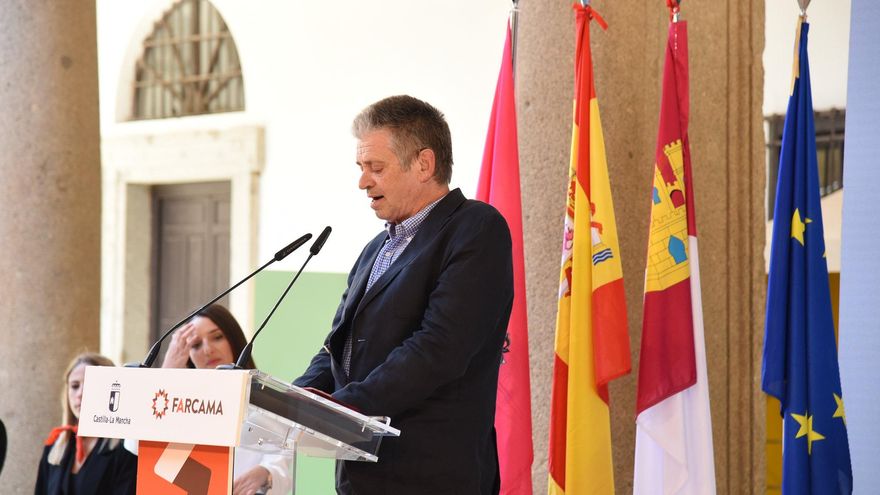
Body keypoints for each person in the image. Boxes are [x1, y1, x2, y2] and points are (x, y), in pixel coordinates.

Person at [293, 95, 514, 494]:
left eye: (375, 168)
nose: (363, 182)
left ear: (424, 165)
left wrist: (348, 406)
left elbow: (438, 349)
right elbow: (337, 348)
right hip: (362, 476)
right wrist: (295, 400)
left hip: (435, 477)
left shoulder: (476, 229)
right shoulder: (376, 249)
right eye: (361, 169)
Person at [160, 304, 292, 495]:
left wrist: (266, 474)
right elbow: (137, 446)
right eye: (196, 345)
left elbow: (282, 466)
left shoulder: (267, 403)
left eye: (217, 337)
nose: (207, 350)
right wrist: (167, 374)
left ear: (233, 339)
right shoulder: (180, 403)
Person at [35, 352, 137, 495]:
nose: (80, 393)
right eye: (75, 386)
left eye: (90, 384)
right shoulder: (54, 446)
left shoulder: (126, 448)